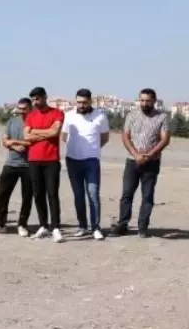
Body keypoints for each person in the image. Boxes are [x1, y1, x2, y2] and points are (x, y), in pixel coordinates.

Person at [116, 88, 170, 237]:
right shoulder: (131, 115)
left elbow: (165, 139)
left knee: (147, 196)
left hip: (151, 163)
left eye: (148, 100)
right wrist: (136, 155)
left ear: (154, 101)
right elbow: (126, 136)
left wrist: (149, 155)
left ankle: (143, 227)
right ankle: (122, 224)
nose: (144, 103)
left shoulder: (162, 117)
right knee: (126, 195)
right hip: (132, 161)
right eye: (142, 100)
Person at [62, 88, 110, 240]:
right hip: (72, 160)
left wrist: (92, 149)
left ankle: (95, 227)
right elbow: (64, 136)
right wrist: (76, 148)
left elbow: (105, 137)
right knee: (78, 195)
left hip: (91, 161)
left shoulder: (100, 116)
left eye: (84, 102)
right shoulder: (68, 115)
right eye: (79, 102)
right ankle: (82, 226)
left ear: (91, 101)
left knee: (93, 194)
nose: (81, 105)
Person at [24, 86, 65, 242]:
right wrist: (45, 132)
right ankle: (43, 226)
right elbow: (26, 136)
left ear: (45, 97)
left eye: (38, 98)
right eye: (33, 99)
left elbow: (55, 133)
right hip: (34, 159)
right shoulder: (31, 115)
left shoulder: (57, 113)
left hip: (51, 160)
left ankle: (55, 227)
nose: (35, 102)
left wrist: (36, 132)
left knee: (52, 194)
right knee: (38, 194)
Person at [0, 97, 33, 235]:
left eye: (24, 108)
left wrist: (12, 142)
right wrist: (15, 145)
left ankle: (22, 224)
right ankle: (1, 224)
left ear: (30, 108)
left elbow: (34, 141)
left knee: (27, 196)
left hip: (28, 165)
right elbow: (5, 141)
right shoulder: (11, 121)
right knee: (3, 195)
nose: (21, 111)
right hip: (11, 164)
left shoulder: (34, 122)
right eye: (19, 108)